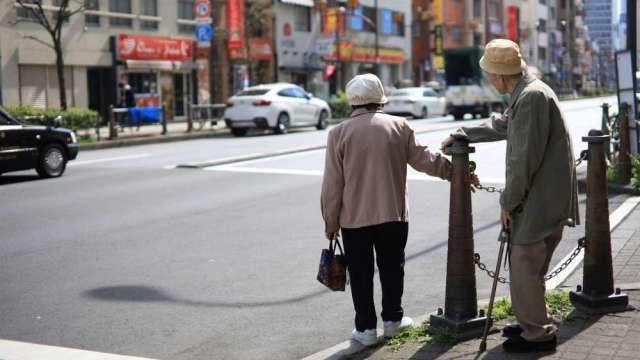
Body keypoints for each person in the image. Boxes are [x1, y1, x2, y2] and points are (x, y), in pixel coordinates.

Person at [441, 39, 579, 353]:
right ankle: (532, 322)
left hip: (539, 198)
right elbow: (505, 125)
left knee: (523, 263)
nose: (489, 80)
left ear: (500, 75)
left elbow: (523, 160)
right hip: (545, 194)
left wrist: (508, 202)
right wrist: (464, 133)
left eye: (489, 74)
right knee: (530, 267)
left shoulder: (530, 97)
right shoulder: (529, 92)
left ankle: (539, 335)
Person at [321, 73, 458, 347]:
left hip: (354, 218)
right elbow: (425, 159)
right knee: (392, 267)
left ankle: (365, 329)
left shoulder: (338, 133)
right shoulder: (399, 126)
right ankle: (393, 321)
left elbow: (333, 184)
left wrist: (331, 222)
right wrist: (455, 172)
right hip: (393, 213)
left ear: (352, 103)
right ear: (380, 100)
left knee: (360, 273)